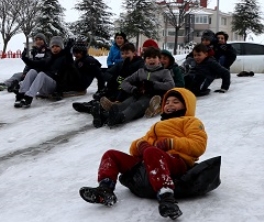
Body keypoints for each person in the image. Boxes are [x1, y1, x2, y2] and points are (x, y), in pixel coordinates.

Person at [79, 88, 207, 220]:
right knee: (111, 154)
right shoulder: (158, 126)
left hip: (176, 161)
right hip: (150, 160)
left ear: (187, 105)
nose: (170, 105)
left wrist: (171, 143)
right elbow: (138, 145)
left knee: (151, 152)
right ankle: (105, 190)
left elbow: (198, 145)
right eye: (167, 102)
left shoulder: (191, 122)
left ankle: (166, 197)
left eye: (176, 102)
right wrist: (140, 145)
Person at [99, 47, 174, 127]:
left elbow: (171, 85)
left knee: (136, 106)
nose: (151, 60)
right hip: (138, 94)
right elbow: (124, 82)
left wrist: (154, 84)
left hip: (152, 97)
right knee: (126, 103)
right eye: (148, 58)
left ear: (159, 59)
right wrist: (133, 89)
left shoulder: (164, 72)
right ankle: (106, 116)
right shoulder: (140, 72)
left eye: (154, 57)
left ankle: (121, 117)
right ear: (145, 60)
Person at [73, 43, 144, 117]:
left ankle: (100, 108)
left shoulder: (139, 63)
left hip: (130, 89)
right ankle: (92, 104)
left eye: (127, 53)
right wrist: (114, 79)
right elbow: (107, 73)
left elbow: (138, 76)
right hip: (118, 86)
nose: (124, 56)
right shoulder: (120, 64)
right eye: (122, 54)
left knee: (117, 93)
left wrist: (122, 80)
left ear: (134, 53)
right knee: (110, 90)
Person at [15, 36, 73, 107]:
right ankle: (21, 94)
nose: (55, 48)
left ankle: (28, 98)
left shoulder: (65, 58)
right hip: (45, 86)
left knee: (42, 74)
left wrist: (69, 47)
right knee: (32, 71)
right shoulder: (50, 58)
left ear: (61, 47)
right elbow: (36, 63)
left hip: (56, 87)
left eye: (57, 46)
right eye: (53, 46)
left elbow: (68, 57)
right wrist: (25, 58)